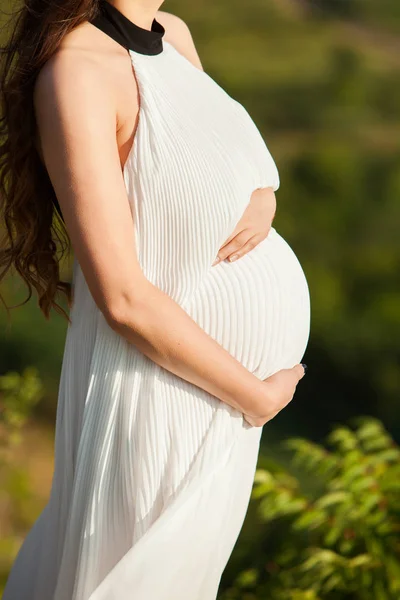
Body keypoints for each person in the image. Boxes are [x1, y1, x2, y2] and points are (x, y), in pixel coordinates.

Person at [0, 0, 311, 598]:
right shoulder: (77, 73)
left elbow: (228, 162)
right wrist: (256, 397)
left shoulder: (173, 35)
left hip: (216, 402)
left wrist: (263, 197)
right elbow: (122, 297)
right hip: (159, 393)